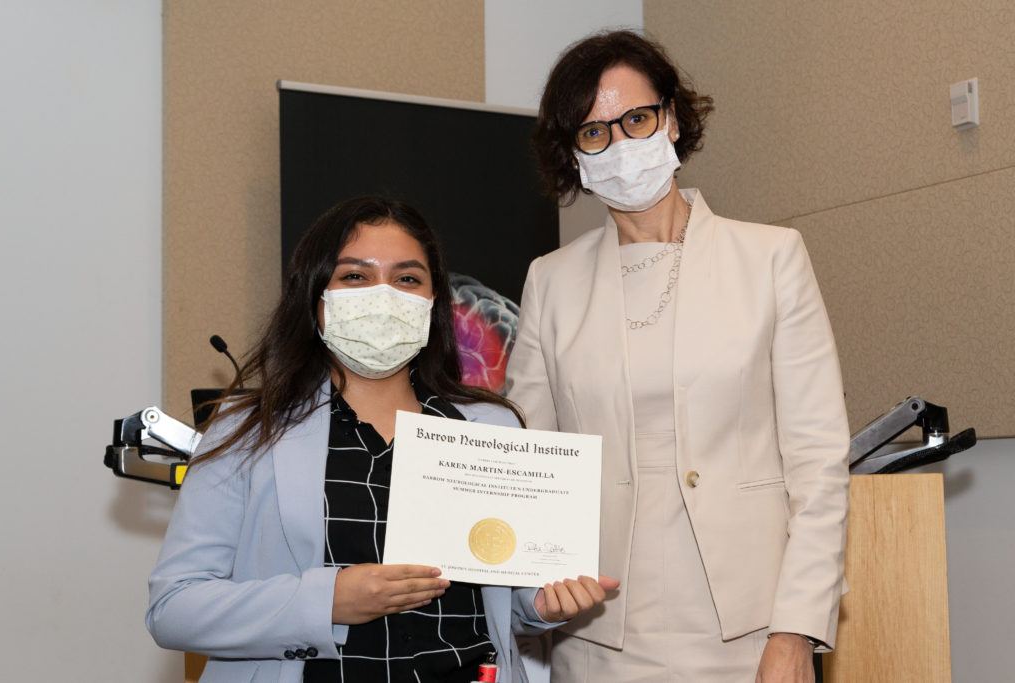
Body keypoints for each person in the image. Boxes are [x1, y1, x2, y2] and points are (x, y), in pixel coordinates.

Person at [146, 196, 617, 683]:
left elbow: (496, 608)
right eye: (355, 276)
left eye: (407, 278)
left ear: (434, 302)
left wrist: (540, 605)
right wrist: (329, 600)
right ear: (315, 297)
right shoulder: (248, 431)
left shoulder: (489, 428)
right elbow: (174, 606)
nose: (384, 295)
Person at [505, 30, 850, 683]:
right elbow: (530, 462)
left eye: (636, 118)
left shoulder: (771, 258)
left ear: (672, 117)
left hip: (750, 627)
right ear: (572, 155)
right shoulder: (550, 281)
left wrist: (797, 630)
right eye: (594, 132)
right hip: (598, 630)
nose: (621, 144)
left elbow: (819, 463)